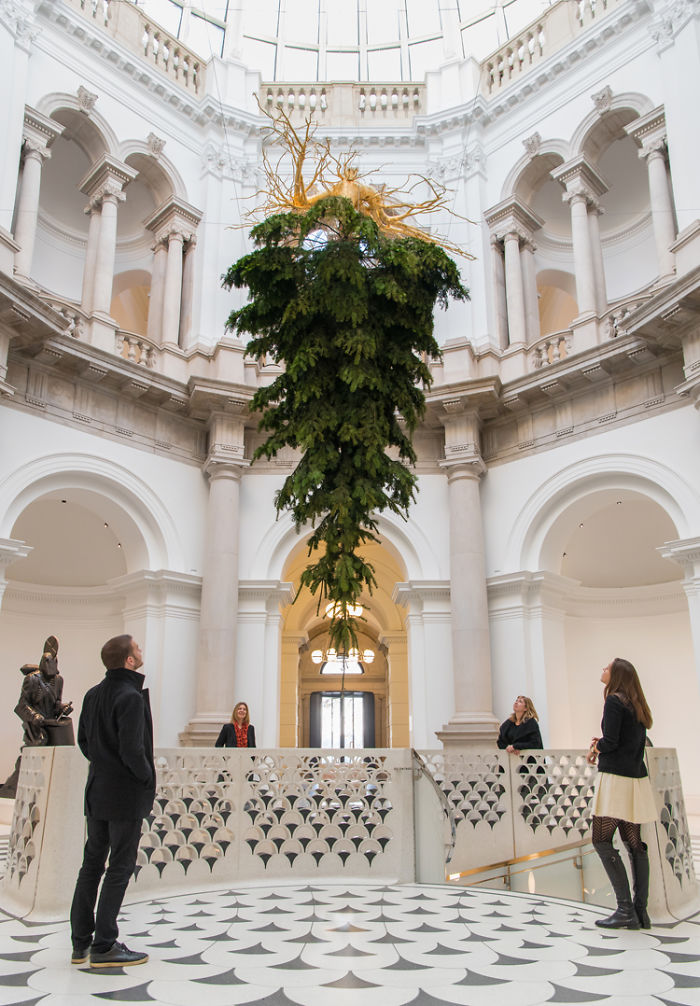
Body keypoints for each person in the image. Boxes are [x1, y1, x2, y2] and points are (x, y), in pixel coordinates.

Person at [69, 634, 155, 967]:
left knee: (91, 866)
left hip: (97, 791)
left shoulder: (93, 695)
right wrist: (145, 776)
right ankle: (104, 945)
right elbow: (133, 750)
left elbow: (84, 742)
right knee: (119, 867)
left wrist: (104, 766)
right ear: (129, 661)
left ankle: (81, 943)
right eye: (137, 649)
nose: (141, 651)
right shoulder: (130, 696)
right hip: (124, 795)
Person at [588, 657, 657, 930]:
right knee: (634, 843)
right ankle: (641, 912)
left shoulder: (614, 701)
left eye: (606, 667)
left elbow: (611, 742)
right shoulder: (635, 704)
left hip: (616, 779)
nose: (602, 669)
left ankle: (625, 909)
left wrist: (595, 747)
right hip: (634, 780)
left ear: (616, 674)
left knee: (601, 840)